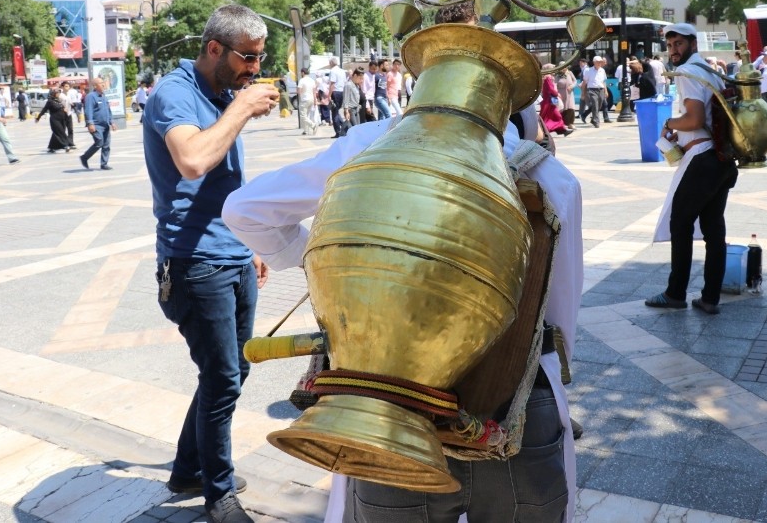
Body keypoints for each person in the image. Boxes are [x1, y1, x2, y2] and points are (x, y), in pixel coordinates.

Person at [221, 115, 584, 523]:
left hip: (380, 418)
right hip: (512, 413)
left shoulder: (370, 142)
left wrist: (332, 265)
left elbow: (244, 210)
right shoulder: (547, 172)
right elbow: (557, 323)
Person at [142, 4, 278, 523]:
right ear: (214, 48)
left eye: (259, 59)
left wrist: (251, 242)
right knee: (221, 377)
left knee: (231, 369)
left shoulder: (221, 94)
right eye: (248, 57)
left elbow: (225, 182)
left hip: (232, 254)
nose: (254, 69)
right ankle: (218, 493)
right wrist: (241, 108)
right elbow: (194, 160)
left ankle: (187, 467)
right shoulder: (174, 93)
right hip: (194, 262)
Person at [645, 23, 738, 315]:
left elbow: (695, 119)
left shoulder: (687, 74)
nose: (674, 50)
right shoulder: (711, 71)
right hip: (721, 159)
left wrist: (670, 124)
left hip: (702, 157)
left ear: (692, 45)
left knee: (680, 222)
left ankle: (675, 293)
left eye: (679, 44)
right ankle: (709, 298)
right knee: (713, 229)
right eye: (670, 45)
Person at [79, 77, 117, 170]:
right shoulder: (91, 96)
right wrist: (90, 123)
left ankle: (104, 164)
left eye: (103, 82)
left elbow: (108, 110)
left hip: (105, 125)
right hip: (96, 125)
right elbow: (88, 111)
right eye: (101, 83)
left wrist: (111, 122)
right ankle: (84, 157)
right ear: (95, 86)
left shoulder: (103, 96)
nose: (104, 84)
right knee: (99, 142)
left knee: (106, 145)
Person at [35, 88, 73, 153]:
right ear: (53, 94)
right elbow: (44, 110)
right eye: (57, 93)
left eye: (59, 93)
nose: (58, 94)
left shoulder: (58, 101)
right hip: (55, 120)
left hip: (62, 119)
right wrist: (38, 117)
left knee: (56, 133)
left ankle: (52, 147)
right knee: (61, 133)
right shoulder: (50, 101)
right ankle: (66, 145)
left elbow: (63, 108)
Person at [539, 64, 571, 136]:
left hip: (549, 101)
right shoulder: (548, 78)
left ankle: (561, 130)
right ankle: (546, 130)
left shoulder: (548, 77)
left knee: (551, 116)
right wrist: (557, 94)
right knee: (554, 116)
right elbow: (550, 89)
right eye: (553, 68)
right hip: (549, 101)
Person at [583, 55, 608, 128]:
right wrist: (583, 92)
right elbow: (585, 81)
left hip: (601, 89)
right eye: (598, 62)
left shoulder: (602, 70)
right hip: (592, 90)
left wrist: (606, 91)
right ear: (594, 62)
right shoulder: (588, 70)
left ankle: (593, 119)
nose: (599, 63)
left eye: (600, 62)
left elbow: (603, 81)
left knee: (599, 105)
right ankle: (596, 121)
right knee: (595, 105)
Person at [327, 58, 348, 138]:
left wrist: (329, 95)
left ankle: (338, 131)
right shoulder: (342, 71)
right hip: (342, 92)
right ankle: (344, 127)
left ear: (331, 63)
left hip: (335, 92)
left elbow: (332, 84)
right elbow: (345, 82)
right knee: (337, 111)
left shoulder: (333, 71)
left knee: (334, 113)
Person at [297, 68, 319, 135]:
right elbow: (314, 91)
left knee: (303, 116)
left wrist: (300, 92)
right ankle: (305, 130)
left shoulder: (302, 80)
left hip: (305, 99)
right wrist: (315, 101)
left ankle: (313, 125)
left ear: (303, 73)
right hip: (311, 99)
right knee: (307, 115)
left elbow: (298, 91)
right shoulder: (312, 80)